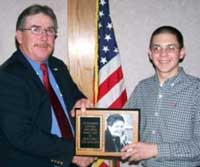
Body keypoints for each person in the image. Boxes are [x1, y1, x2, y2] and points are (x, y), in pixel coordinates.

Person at [0, 4, 95, 167]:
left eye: (50, 30)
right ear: (20, 36)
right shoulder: (8, 75)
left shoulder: (58, 66)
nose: (44, 37)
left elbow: (74, 96)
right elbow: (22, 134)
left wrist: (81, 101)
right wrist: (73, 151)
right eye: (35, 29)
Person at [121, 26, 200, 167]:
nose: (163, 54)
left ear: (181, 53)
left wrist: (155, 150)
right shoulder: (142, 88)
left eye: (171, 48)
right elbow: (121, 127)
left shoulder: (196, 90)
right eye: (157, 48)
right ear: (150, 54)